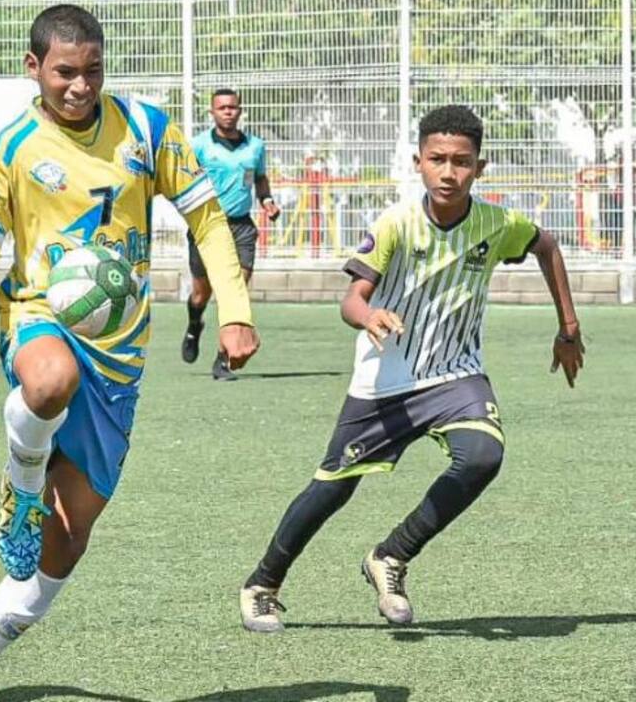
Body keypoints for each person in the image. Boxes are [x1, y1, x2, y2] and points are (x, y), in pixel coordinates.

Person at [0, 4, 259, 701]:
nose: (80, 85)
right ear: (33, 67)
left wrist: (235, 310)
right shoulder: (11, 145)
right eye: (65, 71)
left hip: (121, 353)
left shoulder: (148, 129)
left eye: (92, 70)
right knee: (48, 381)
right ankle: (22, 484)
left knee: (65, 544)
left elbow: (208, 218)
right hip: (40, 314)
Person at [239, 105, 585, 634]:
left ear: (480, 167)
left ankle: (391, 556)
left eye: (462, 162)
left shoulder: (497, 223)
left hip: (455, 376)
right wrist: (369, 315)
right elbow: (351, 299)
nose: (449, 172)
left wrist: (568, 328)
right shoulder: (396, 223)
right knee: (333, 487)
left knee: (483, 456)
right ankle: (263, 583)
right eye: (437, 159)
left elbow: (546, 245)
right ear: (418, 162)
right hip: (385, 385)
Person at [180, 90, 281, 379]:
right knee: (202, 294)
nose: (228, 112)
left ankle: (222, 360)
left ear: (240, 111)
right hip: (207, 226)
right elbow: (184, 181)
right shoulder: (198, 146)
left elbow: (259, 178)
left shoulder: (255, 147)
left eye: (233, 107)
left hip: (241, 226)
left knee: (236, 290)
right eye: (222, 108)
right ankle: (194, 325)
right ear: (212, 112)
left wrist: (267, 201)